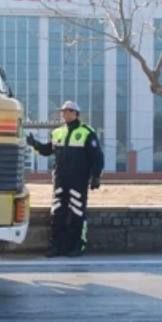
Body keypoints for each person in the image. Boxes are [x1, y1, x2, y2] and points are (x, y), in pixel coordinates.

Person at [26, 100, 104, 258]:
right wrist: (35, 144)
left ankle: (77, 246)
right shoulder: (57, 132)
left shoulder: (87, 132)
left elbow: (97, 157)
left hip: (78, 181)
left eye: (67, 111)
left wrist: (95, 176)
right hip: (60, 181)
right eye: (62, 111)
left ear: (75, 113)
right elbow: (48, 151)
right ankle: (56, 247)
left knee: (77, 214)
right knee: (57, 215)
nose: (63, 114)